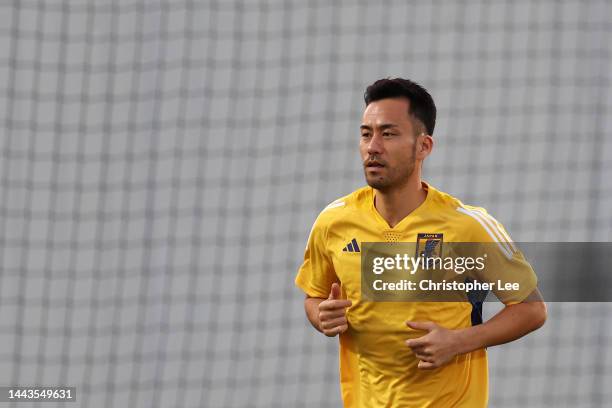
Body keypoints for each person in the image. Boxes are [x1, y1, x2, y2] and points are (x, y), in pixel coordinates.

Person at [294, 78, 547, 407]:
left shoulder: (467, 227)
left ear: (424, 146)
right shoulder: (334, 221)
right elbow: (315, 297)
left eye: (388, 133)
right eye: (366, 133)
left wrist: (458, 341)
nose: (373, 146)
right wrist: (321, 315)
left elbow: (531, 309)